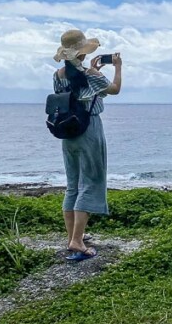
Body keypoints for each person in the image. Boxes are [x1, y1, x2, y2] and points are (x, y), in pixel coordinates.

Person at [52, 29, 122, 261]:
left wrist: (93, 73)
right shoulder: (90, 74)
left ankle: (72, 236)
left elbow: (75, 93)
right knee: (91, 181)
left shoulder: (58, 74)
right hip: (89, 129)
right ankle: (77, 241)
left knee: (73, 184)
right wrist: (118, 68)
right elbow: (114, 90)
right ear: (82, 53)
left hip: (68, 131)